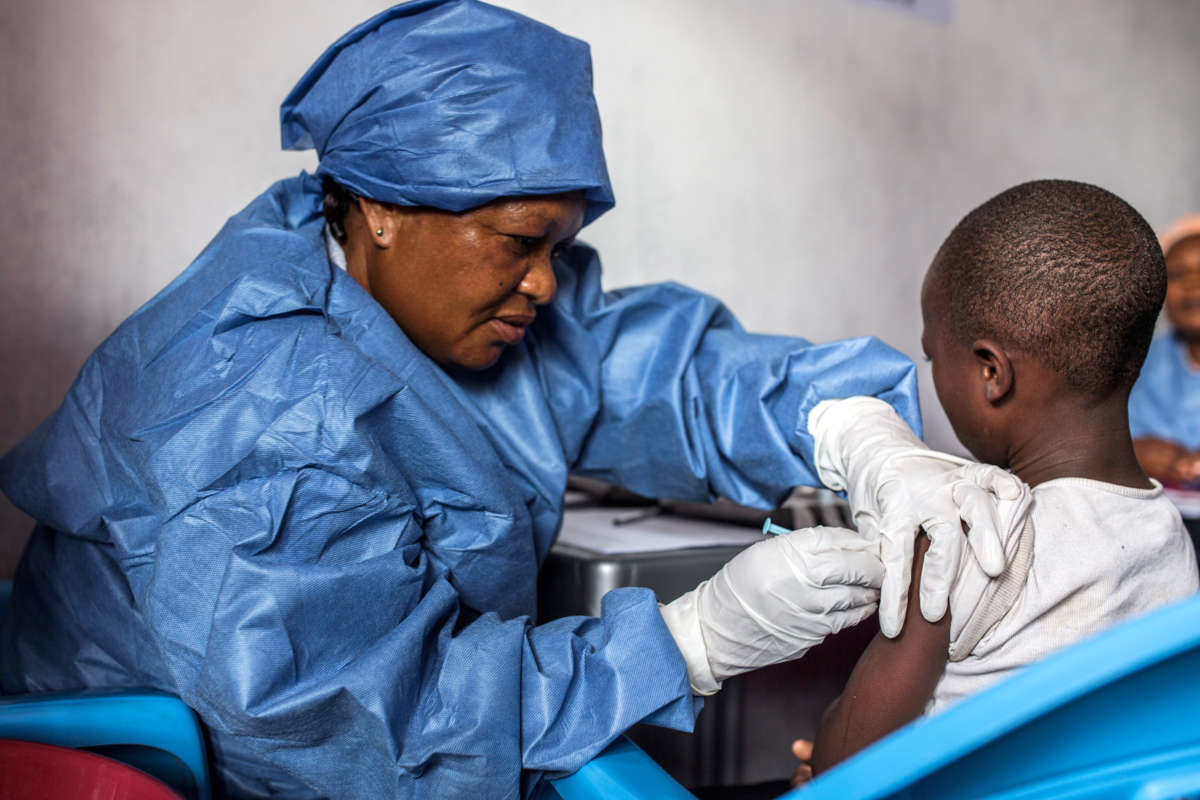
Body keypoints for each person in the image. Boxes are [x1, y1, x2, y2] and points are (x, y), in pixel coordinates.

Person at [0, 2, 1023, 797]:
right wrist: (691, 640)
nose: (545, 282)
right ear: (383, 210)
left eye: (561, 245)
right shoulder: (259, 410)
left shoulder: (441, 289)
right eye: (519, 241)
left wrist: (850, 426)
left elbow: (661, 370)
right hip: (171, 759)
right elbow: (367, 740)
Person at [800, 180, 1199, 776]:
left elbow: (847, 758)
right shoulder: (1168, 535)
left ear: (991, 372)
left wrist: (818, 757)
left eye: (935, 358)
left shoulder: (965, 534)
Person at [1129, 215, 1200, 533]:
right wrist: (1137, 453)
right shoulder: (1140, 362)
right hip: (1154, 521)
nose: (1193, 286)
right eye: (1178, 275)